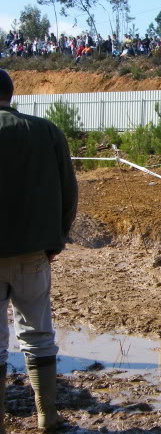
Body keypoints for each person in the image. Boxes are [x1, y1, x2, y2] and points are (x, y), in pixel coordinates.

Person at [0, 69, 78, 431]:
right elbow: (68, 190)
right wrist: (56, 240)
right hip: (33, 252)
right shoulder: (46, 131)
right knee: (37, 333)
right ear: (11, 94)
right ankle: (47, 416)